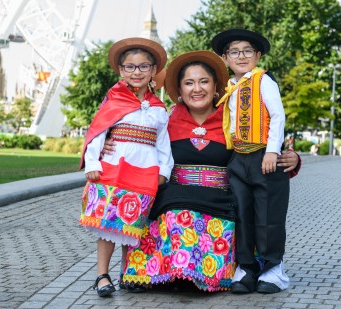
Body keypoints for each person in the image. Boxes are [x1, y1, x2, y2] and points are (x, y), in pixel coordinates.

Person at [111, 50, 301, 292]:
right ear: (180, 90)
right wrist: (110, 142)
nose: (196, 89)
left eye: (204, 81)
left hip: (221, 200)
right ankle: (157, 274)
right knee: (176, 216)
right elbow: (137, 145)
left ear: (215, 87)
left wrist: (292, 158)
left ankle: (197, 275)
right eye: (189, 83)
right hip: (175, 198)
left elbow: (264, 144)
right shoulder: (165, 119)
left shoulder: (233, 116)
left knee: (221, 220)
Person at [79, 37, 174, 297]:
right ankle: (102, 275)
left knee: (132, 227)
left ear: (154, 71)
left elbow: (163, 146)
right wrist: (93, 162)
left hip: (144, 174)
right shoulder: (114, 101)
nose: (137, 72)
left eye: (144, 66)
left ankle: (128, 272)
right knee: (109, 226)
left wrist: (163, 173)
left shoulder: (158, 109)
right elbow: (98, 132)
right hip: (112, 170)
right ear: (121, 70)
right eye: (130, 67)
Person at [211, 28, 292, 294]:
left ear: (257, 55)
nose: (241, 56)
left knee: (268, 213)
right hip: (239, 157)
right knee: (241, 213)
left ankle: (272, 270)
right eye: (234, 52)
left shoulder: (263, 80)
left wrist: (272, 151)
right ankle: (246, 268)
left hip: (263, 155)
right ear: (225, 58)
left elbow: (277, 116)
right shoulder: (229, 87)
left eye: (247, 51)